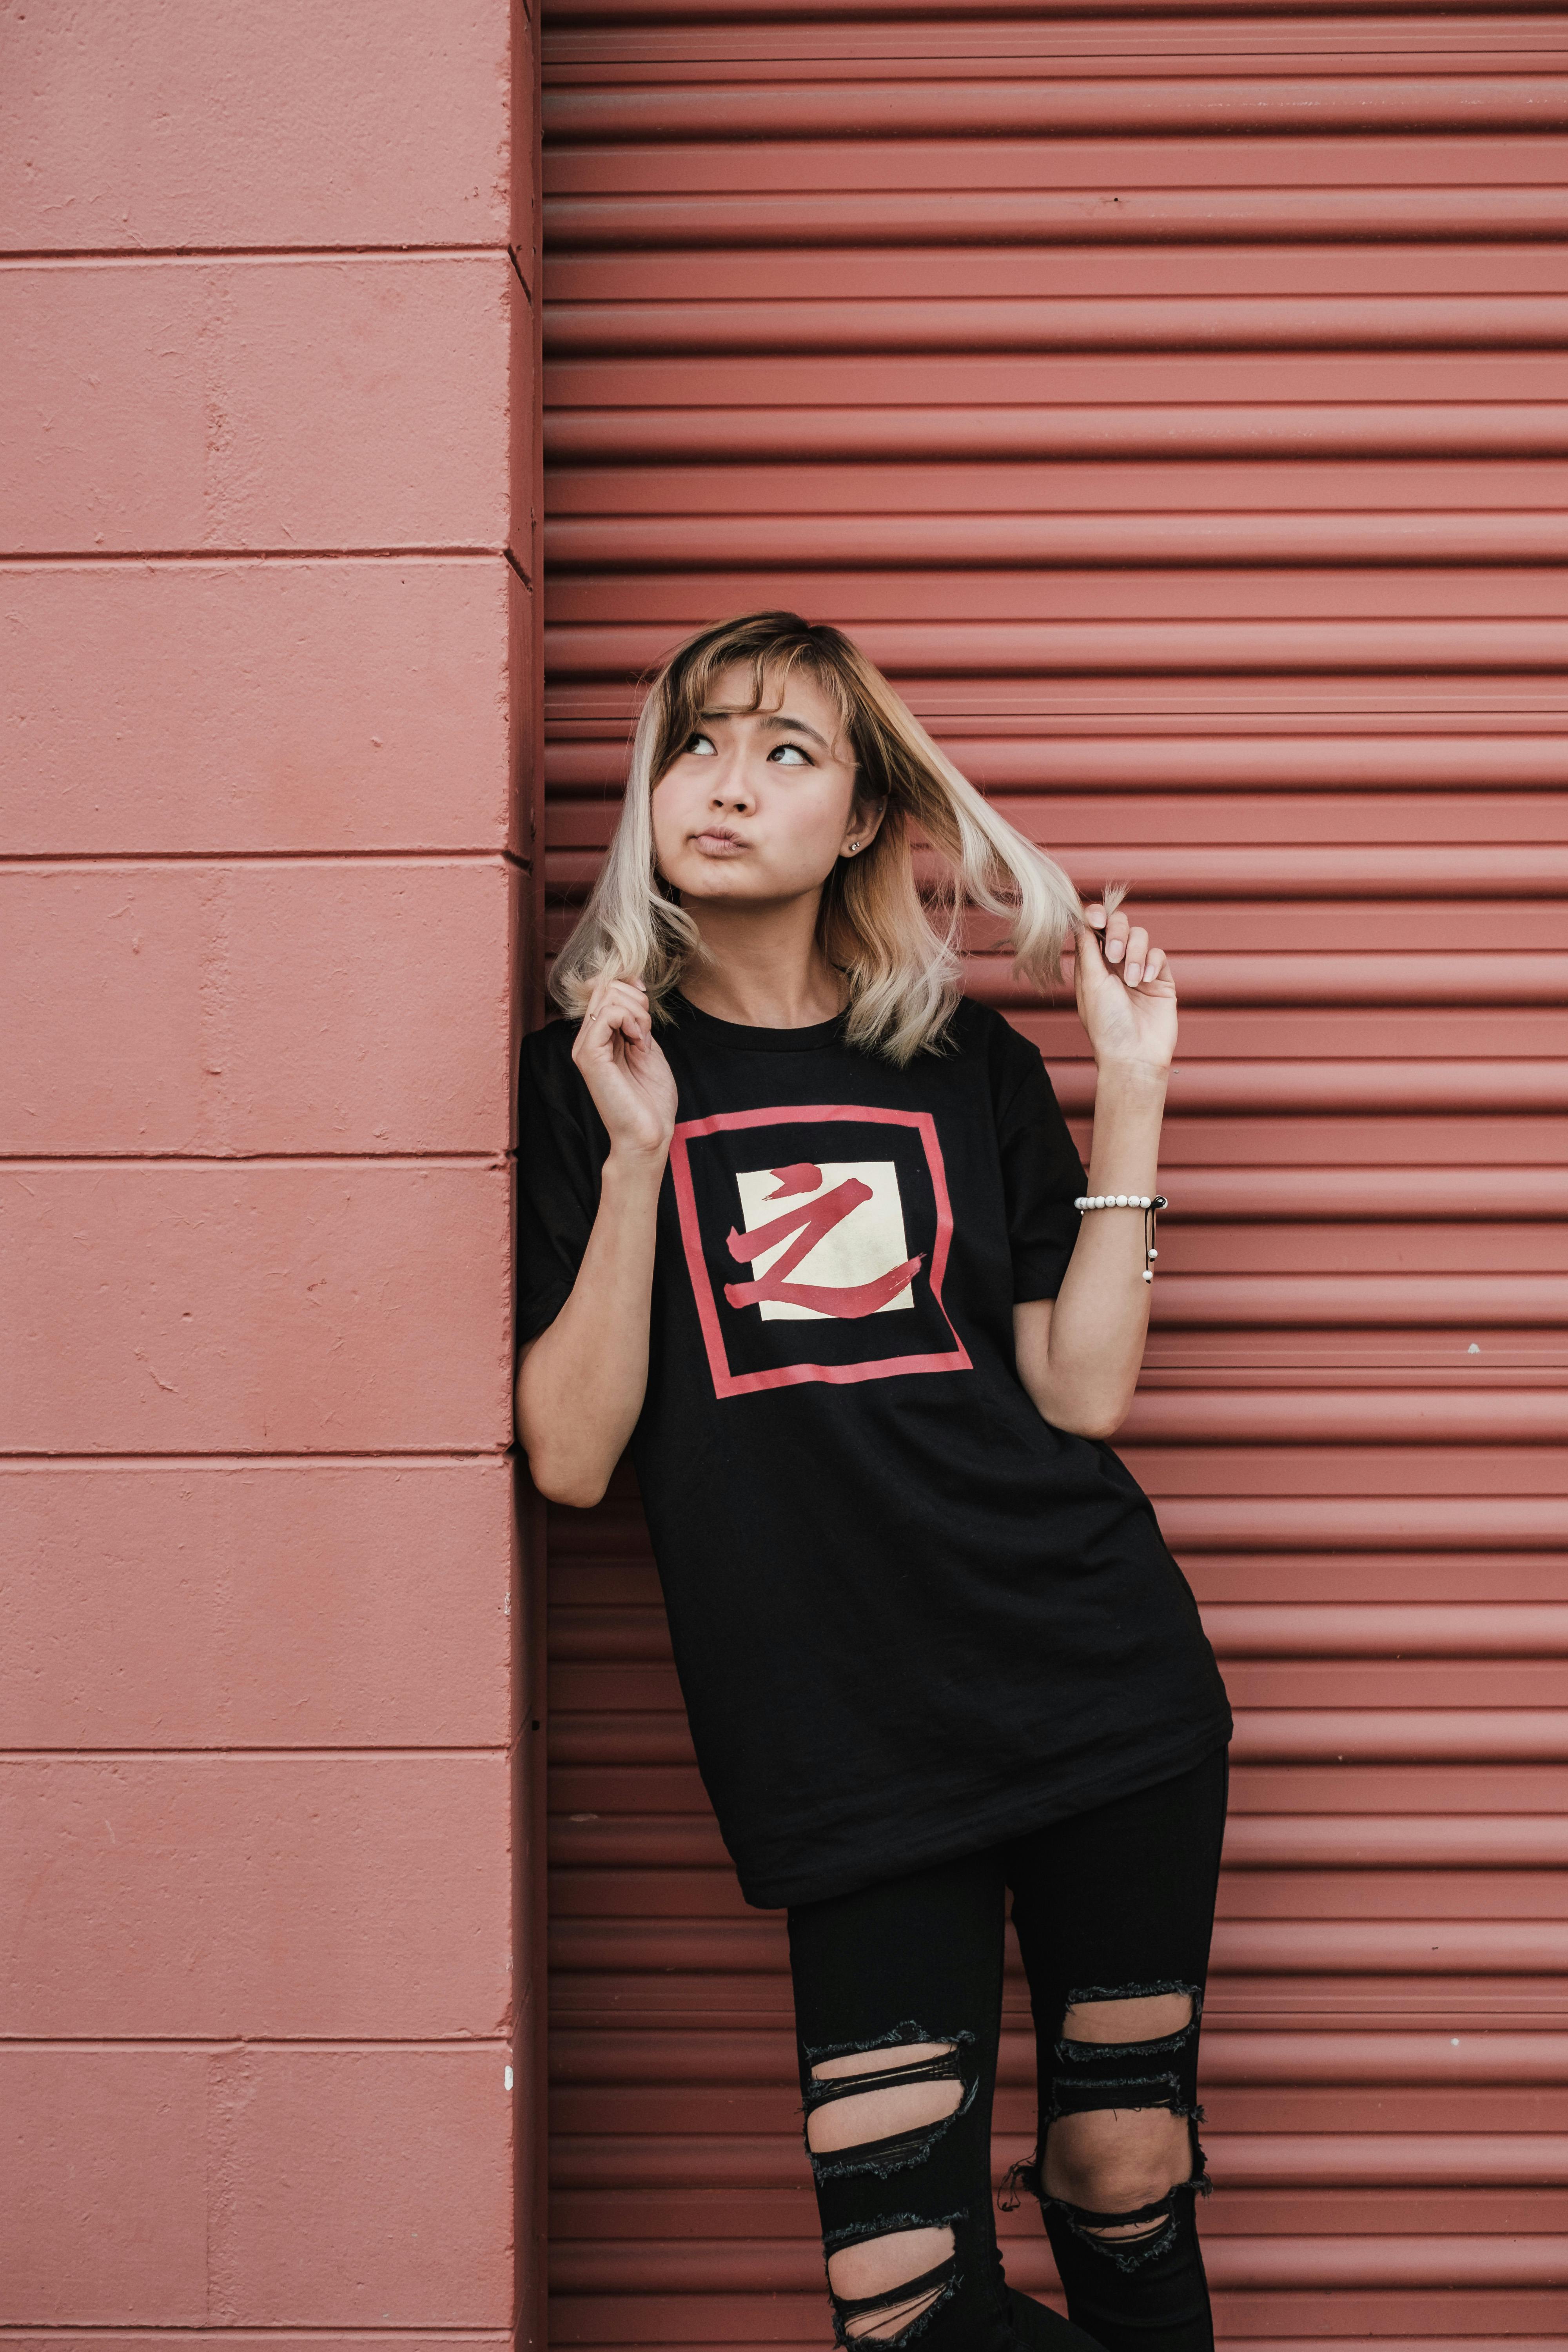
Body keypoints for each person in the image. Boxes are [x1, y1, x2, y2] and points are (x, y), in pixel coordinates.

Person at [515, 612, 1232, 2352]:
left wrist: (1127, 1095)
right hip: (837, 1728)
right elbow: (572, 1452)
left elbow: (1080, 1390)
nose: (725, 785)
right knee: (903, 2296)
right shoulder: (592, 1076)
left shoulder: (965, 1068)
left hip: (1088, 1680)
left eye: (783, 754)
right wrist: (635, 1160)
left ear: (854, 822)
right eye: (695, 744)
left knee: (1120, 2172)